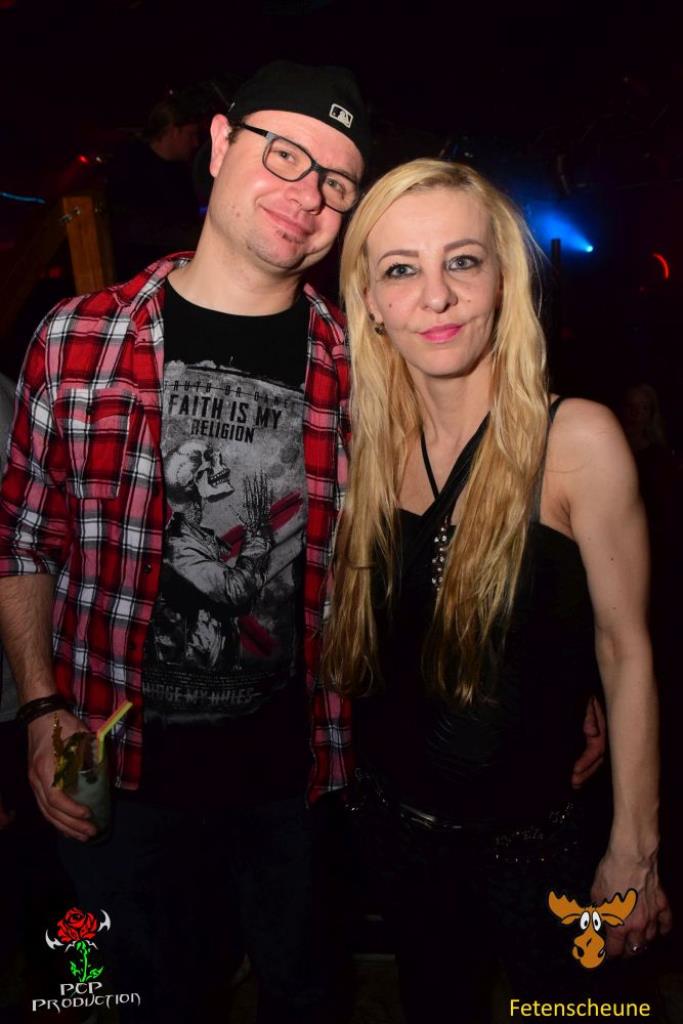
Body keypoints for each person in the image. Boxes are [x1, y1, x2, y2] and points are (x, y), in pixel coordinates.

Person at [0, 61, 370, 1024]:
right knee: (134, 1000)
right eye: (283, 154)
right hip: (117, 778)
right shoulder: (77, 338)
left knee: (305, 998)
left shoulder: (363, 369)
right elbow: (25, 541)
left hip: (295, 783)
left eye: (336, 181)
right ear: (217, 143)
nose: (308, 195)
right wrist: (40, 706)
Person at [322, 159, 671, 1021]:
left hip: (538, 856)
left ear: (503, 280)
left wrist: (635, 848)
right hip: (395, 833)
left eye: (462, 261)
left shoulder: (574, 440)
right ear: (369, 300)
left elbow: (625, 650)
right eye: (400, 269)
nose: (435, 296)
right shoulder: (366, 445)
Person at [106, 90, 203, 279]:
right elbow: (135, 228)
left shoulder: (180, 171)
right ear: (174, 131)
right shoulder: (130, 168)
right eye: (191, 135)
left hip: (177, 271)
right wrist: (193, 237)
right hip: (141, 276)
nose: (195, 143)